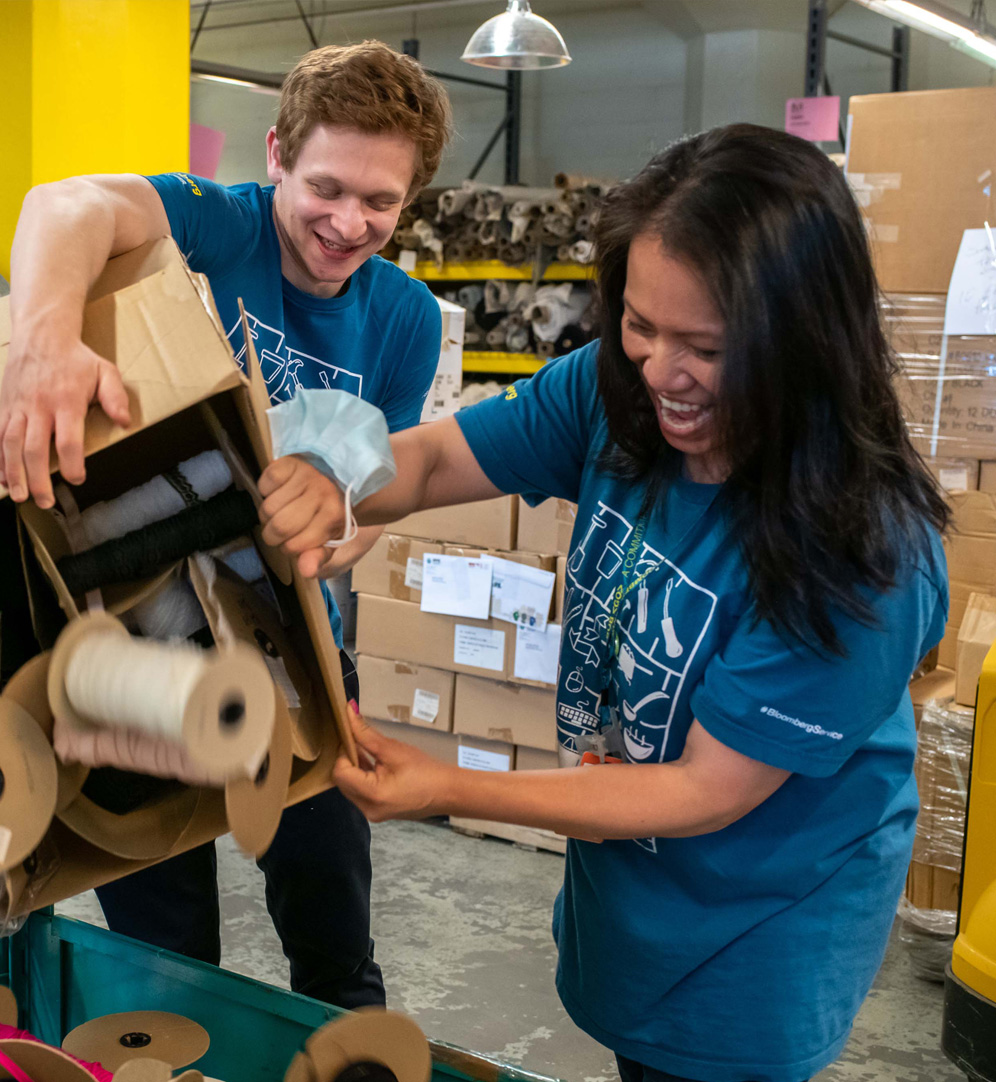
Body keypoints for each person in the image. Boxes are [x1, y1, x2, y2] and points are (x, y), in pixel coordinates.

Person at [261, 124, 949, 1082]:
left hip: (756, 931)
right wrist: (320, 478)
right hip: (635, 881)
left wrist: (447, 784)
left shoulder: (863, 552)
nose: (661, 372)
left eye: (705, 346)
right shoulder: (613, 392)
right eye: (641, 324)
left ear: (802, 336)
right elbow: (436, 459)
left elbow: (705, 790)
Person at [0, 40, 452, 1008]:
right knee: (165, 942)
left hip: (294, 637)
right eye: (326, 186)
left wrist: (331, 528)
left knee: (330, 900)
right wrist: (44, 347)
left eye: (381, 202)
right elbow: (62, 206)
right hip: (137, 630)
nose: (348, 222)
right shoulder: (218, 224)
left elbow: (379, 489)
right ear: (276, 154)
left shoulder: (405, 316)